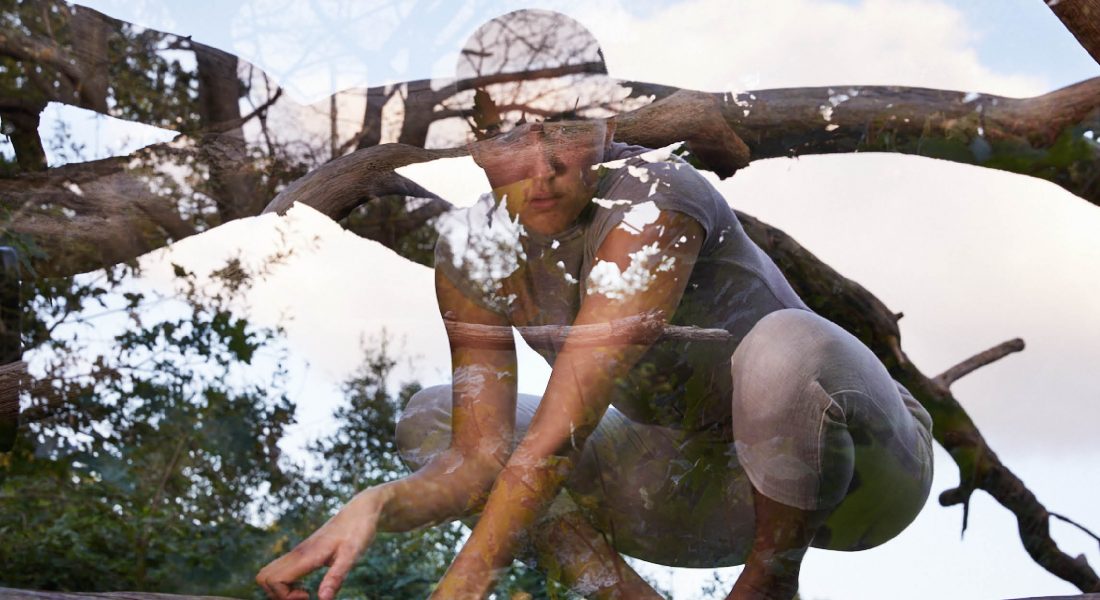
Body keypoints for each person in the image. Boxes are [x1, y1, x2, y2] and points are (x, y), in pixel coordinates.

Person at [257, 10, 933, 600]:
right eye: (509, 136)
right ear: (472, 143)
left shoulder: (652, 199)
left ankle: (767, 588)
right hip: (695, 491)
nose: (542, 165)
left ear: (609, 122)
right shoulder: (470, 251)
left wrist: (460, 587)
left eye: (565, 128)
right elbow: (477, 463)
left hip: (862, 471)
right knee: (433, 420)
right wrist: (377, 505)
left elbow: (558, 435)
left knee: (784, 347)